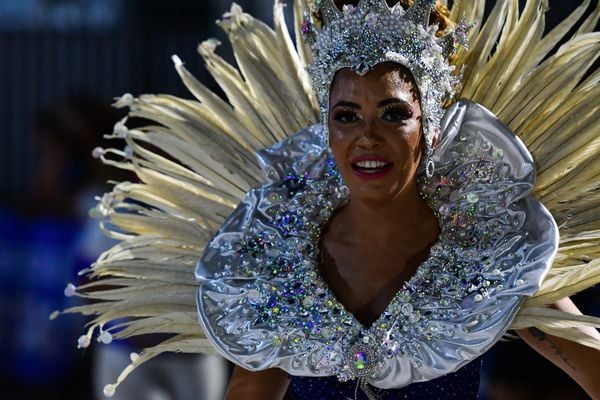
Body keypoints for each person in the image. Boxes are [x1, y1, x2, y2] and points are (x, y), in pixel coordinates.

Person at [58, 0, 600, 399]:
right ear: (326, 133)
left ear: (431, 131)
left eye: (393, 114)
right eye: (347, 116)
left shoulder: (490, 252)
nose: (367, 136)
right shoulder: (273, 255)